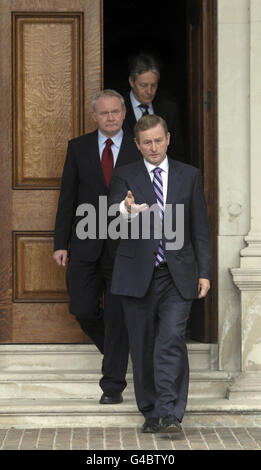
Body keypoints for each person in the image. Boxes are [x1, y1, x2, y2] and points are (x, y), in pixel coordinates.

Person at [108, 114, 212, 432]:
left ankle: (169, 411)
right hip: (137, 273)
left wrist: (205, 271)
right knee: (142, 344)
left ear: (168, 138)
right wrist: (125, 210)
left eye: (158, 140)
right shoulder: (124, 175)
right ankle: (151, 411)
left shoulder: (189, 175)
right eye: (147, 142)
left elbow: (200, 228)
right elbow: (113, 221)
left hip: (177, 273)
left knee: (170, 340)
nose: (154, 147)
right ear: (137, 145)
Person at [53, 89, 141, 405]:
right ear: (94, 116)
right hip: (85, 243)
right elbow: (67, 197)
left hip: (125, 245)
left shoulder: (138, 146)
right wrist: (59, 243)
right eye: (104, 113)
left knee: (117, 314)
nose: (111, 117)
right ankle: (118, 350)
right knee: (82, 307)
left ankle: (112, 386)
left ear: (124, 113)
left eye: (116, 111)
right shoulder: (78, 148)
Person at [123, 53, 185, 161]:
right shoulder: (118, 108)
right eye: (143, 85)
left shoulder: (169, 109)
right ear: (131, 82)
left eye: (153, 85)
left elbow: (177, 152)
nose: (149, 91)